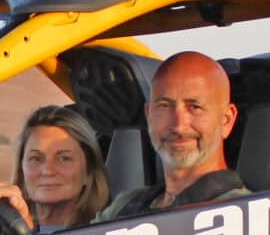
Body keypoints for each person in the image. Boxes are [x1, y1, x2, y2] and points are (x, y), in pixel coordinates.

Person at [97, 51, 249, 218]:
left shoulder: (247, 217)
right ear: (149, 115)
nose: (178, 126)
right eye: (164, 106)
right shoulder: (124, 207)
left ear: (226, 120)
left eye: (194, 107)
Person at [0, 105, 109, 232]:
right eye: (36, 158)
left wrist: (24, 231)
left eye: (64, 158)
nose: (47, 171)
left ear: (88, 171)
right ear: (21, 168)